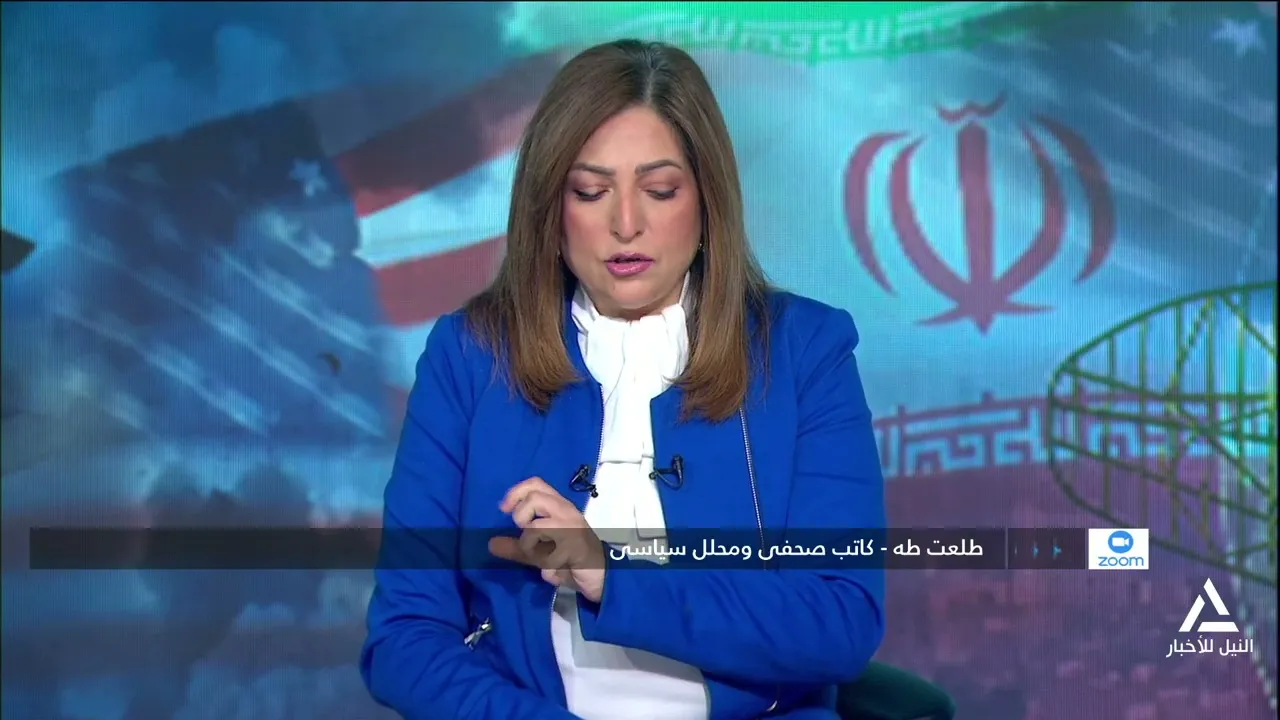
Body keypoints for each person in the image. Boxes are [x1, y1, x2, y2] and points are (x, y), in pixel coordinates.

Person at [361, 39, 886, 720]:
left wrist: (611, 575)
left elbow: (841, 621)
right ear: (551, 211)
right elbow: (404, 639)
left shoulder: (804, 350)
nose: (626, 224)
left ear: (706, 202)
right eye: (591, 191)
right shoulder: (470, 357)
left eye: (659, 190)